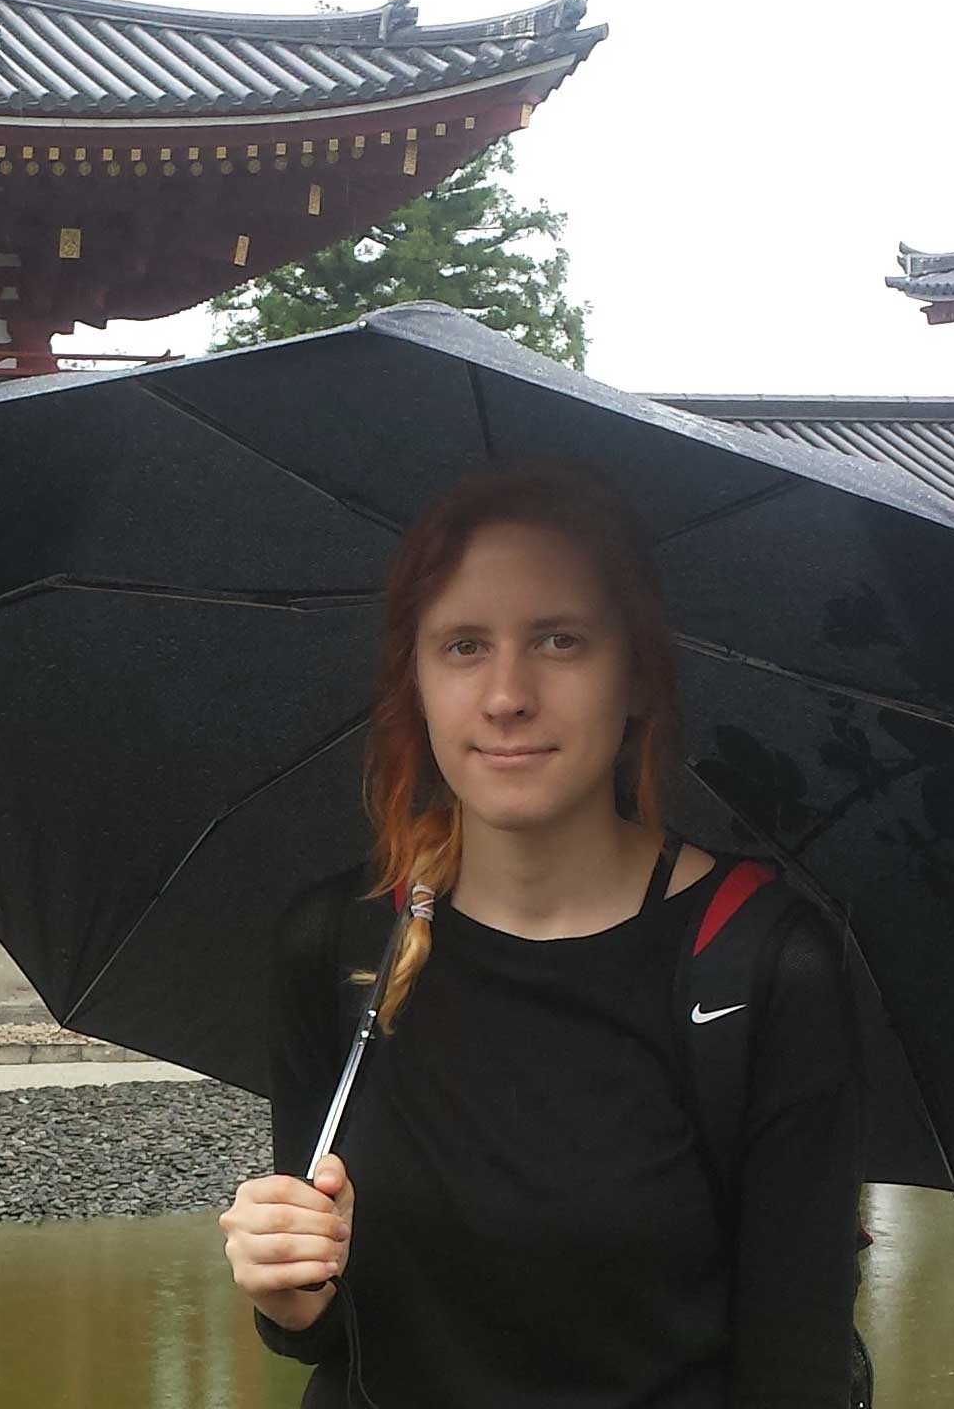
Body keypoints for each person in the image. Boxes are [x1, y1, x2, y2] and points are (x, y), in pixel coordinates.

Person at [220, 457, 863, 1408]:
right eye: (463, 646)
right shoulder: (342, 944)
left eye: (560, 641)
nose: (507, 695)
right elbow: (334, 1336)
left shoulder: (761, 965)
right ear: (417, 681)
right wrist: (290, 1293)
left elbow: (795, 1367)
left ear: (637, 675)